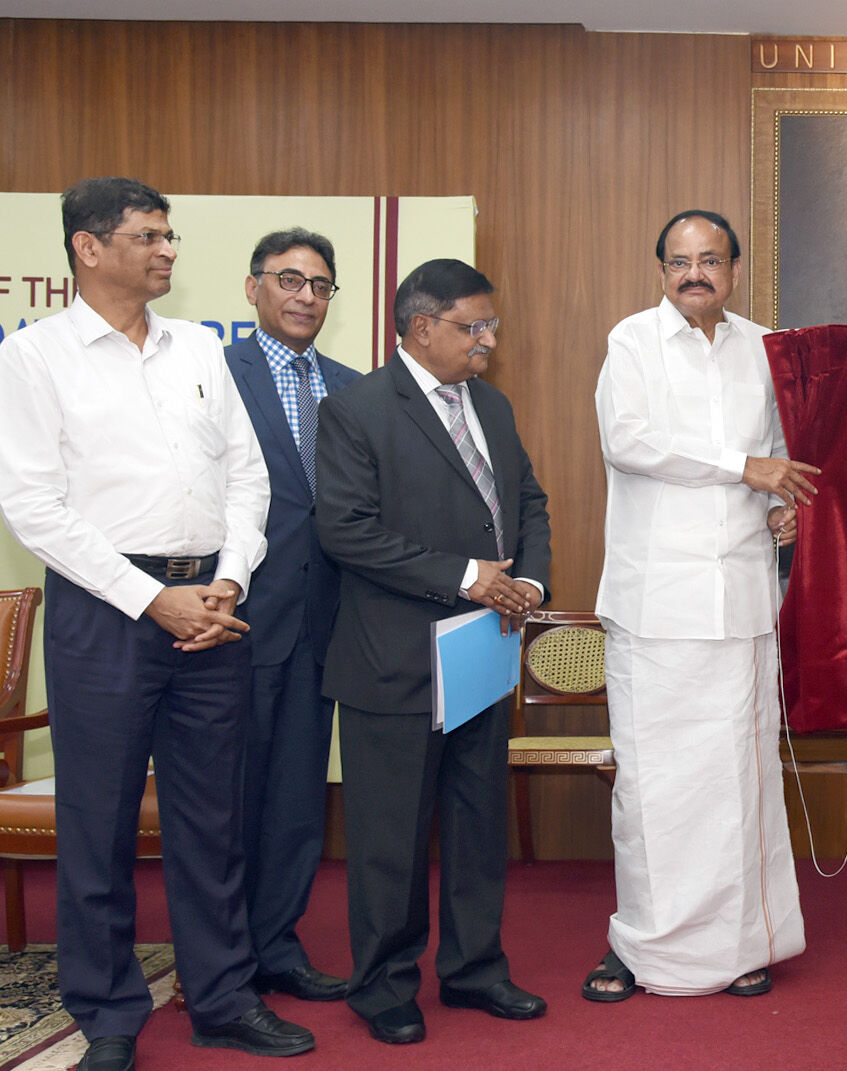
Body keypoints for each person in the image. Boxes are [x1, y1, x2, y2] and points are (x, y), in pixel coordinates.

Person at [0, 177, 314, 1069]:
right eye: (148, 236)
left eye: (169, 235)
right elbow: (33, 508)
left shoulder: (199, 350)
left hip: (211, 609)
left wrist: (229, 583)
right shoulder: (33, 358)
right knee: (95, 822)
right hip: (106, 614)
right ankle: (107, 1014)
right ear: (89, 248)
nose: (168, 250)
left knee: (213, 820)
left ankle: (221, 997)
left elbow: (249, 479)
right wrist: (148, 597)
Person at [315, 258, 551, 1045]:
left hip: (481, 654)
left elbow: (527, 501)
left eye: (491, 325)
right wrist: (467, 578)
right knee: (390, 836)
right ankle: (382, 984)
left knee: (477, 823)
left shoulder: (492, 402)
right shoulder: (356, 409)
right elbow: (346, 529)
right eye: (473, 326)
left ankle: (475, 969)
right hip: (394, 659)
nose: (489, 340)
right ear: (421, 327)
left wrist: (533, 586)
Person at [585, 209, 813, 1003]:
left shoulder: (763, 349)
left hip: (743, 599)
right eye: (679, 261)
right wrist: (742, 468)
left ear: (735, 271)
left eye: (710, 260)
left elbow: (779, 453)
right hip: (657, 605)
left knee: (737, 784)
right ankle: (643, 945)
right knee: (656, 787)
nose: (695, 273)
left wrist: (780, 501)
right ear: (660, 272)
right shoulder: (631, 342)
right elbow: (630, 441)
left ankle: (739, 943)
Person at [224, 228, 361, 1004]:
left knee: (298, 802)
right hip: (236, 621)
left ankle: (276, 943)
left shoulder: (353, 386)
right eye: (289, 280)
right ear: (253, 289)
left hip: (323, 625)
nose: (306, 296)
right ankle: (221, 957)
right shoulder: (213, 373)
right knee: (229, 802)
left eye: (320, 285)